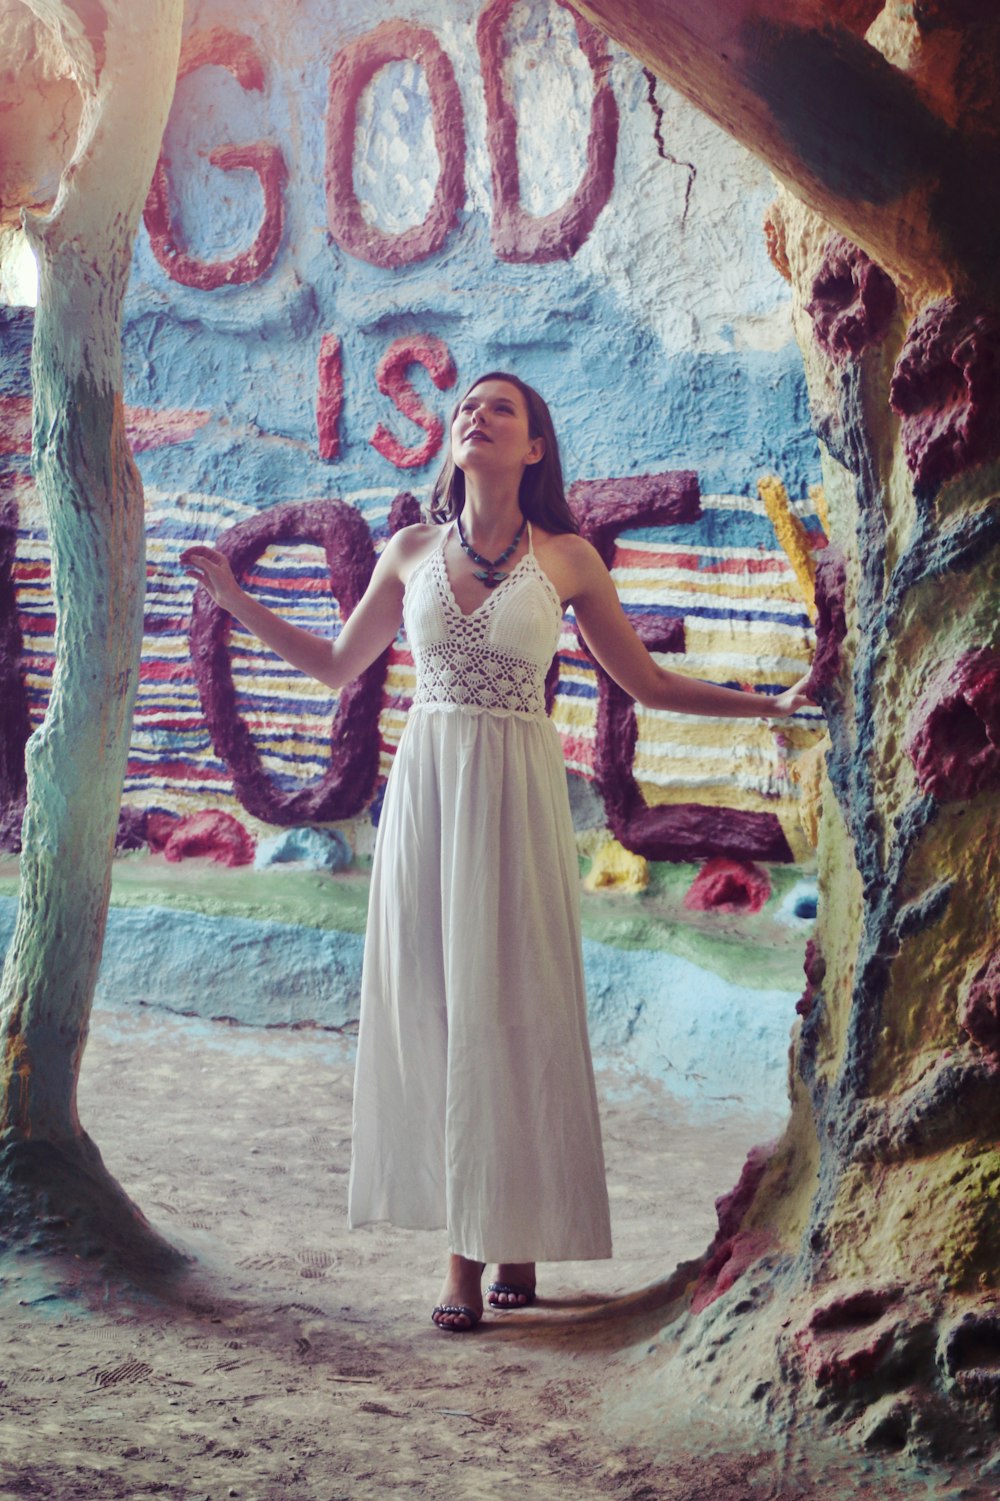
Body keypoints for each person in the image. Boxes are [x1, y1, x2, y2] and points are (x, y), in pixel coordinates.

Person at [183, 372, 811, 1334]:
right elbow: (334, 666)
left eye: (500, 409)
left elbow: (642, 681)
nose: (475, 415)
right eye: (466, 406)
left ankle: (488, 1246)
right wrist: (234, 599)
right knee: (443, 1005)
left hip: (516, 799)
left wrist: (765, 702)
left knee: (512, 1003)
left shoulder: (567, 559)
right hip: (429, 795)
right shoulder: (408, 551)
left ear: (534, 449)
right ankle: (479, 1245)